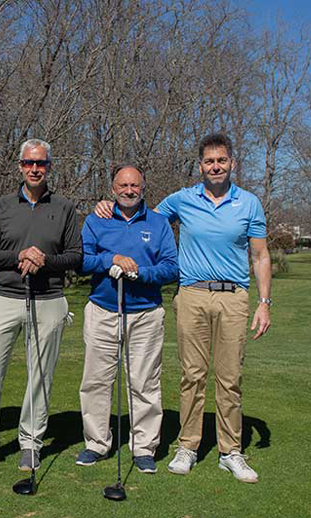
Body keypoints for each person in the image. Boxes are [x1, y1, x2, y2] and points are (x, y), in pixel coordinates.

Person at [95, 133, 271, 483]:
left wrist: (264, 303)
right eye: (209, 161)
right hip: (190, 295)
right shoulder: (183, 199)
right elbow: (142, 218)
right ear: (201, 165)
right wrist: (109, 207)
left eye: (221, 160)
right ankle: (188, 446)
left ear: (232, 163)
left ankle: (230, 451)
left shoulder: (249, 203)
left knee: (230, 378)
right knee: (192, 375)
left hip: (233, 297)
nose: (216, 166)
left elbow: (261, 255)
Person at [0, 139, 82, 474]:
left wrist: (44, 260)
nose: (34, 169)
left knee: (40, 376)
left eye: (40, 164)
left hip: (48, 300)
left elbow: (75, 255)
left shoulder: (64, 207)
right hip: (4, 298)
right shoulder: (2, 206)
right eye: (28, 163)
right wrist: (20, 256)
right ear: (19, 166)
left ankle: (31, 444)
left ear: (49, 166)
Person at [75, 165, 178, 474]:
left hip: (145, 313)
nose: (129, 190)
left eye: (134, 185)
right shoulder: (97, 219)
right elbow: (81, 261)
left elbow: (172, 267)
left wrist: (140, 273)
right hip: (103, 311)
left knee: (144, 383)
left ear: (143, 187)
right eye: (123, 185)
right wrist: (110, 261)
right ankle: (96, 443)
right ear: (113, 188)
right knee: (96, 381)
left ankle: (144, 448)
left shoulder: (158, 223)